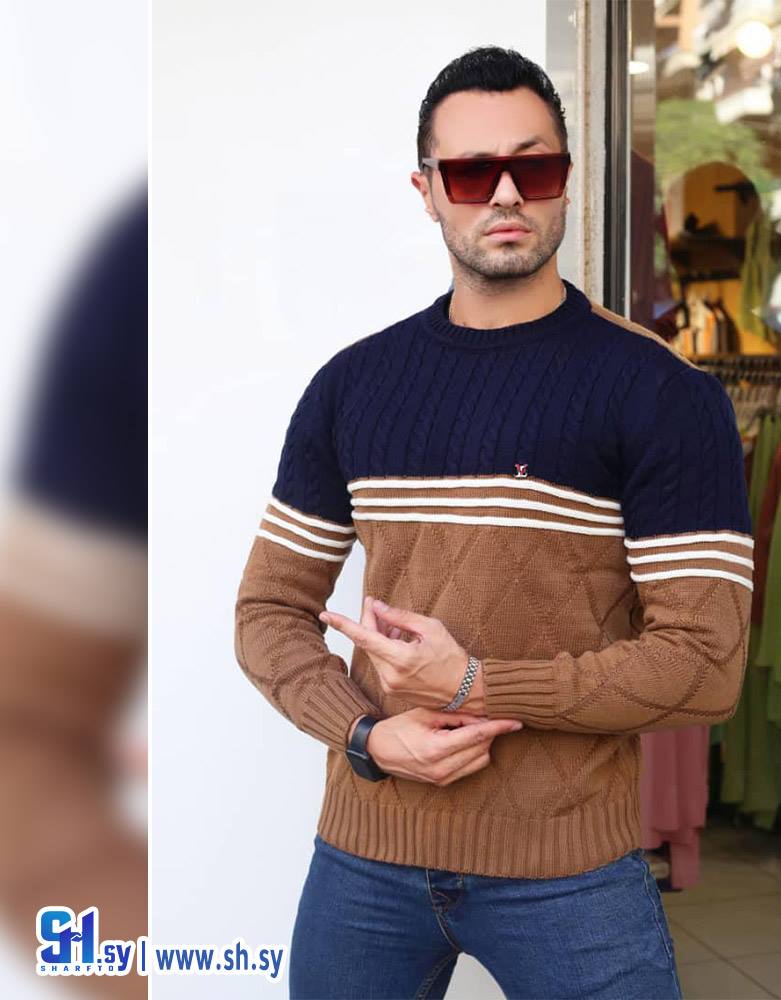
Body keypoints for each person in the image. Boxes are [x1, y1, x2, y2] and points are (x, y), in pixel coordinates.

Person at [234, 46, 752, 1000]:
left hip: (570, 871)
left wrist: (477, 683)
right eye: (472, 172)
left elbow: (708, 663)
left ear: (567, 179)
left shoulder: (664, 395)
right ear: (428, 191)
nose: (506, 192)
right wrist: (365, 735)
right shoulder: (352, 387)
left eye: (534, 165)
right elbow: (267, 610)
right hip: (365, 858)